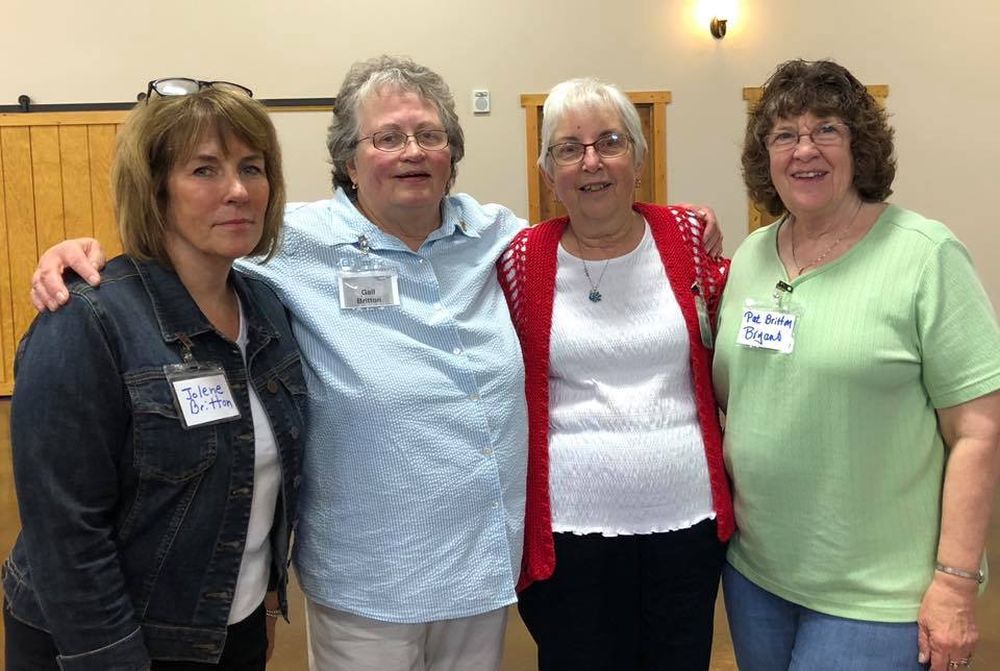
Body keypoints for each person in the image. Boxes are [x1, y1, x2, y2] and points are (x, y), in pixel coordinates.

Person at [28, 57, 721, 671]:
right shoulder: (287, 243)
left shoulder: (501, 238)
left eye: (429, 135)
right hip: (367, 584)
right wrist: (83, 253)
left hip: (481, 570)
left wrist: (680, 223)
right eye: (387, 137)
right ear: (349, 161)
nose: (411, 152)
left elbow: (597, 228)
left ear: (452, 155)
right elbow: (187, 247)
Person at [2, 79, 305, 671]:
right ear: (154, 190)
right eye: (204, 170)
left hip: (229, 629)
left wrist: (266, 605)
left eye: (252, 167)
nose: (238, 190)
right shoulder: (87, 321)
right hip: (107, 643)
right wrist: (110, 658)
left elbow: (265, 488)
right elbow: (65, 533)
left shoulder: (268, 307)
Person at [712, 58, 1000, 671]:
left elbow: (979, 430)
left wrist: (954, 583)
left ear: (860, 146)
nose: (804, 150)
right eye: (784, 134)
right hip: (757, 575)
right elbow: (737, 397)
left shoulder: (925, 255)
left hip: (879, 596)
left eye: (826, 129)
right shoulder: (752, 257)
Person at [497, 77, 734, 671]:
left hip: (688, 523)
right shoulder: (522, 258)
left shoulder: (685, 236)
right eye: (568, 148)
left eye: (610, 142)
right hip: (567, 534)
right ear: (548, 174)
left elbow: (738, 316)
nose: (591, 162)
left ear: (639, 159)